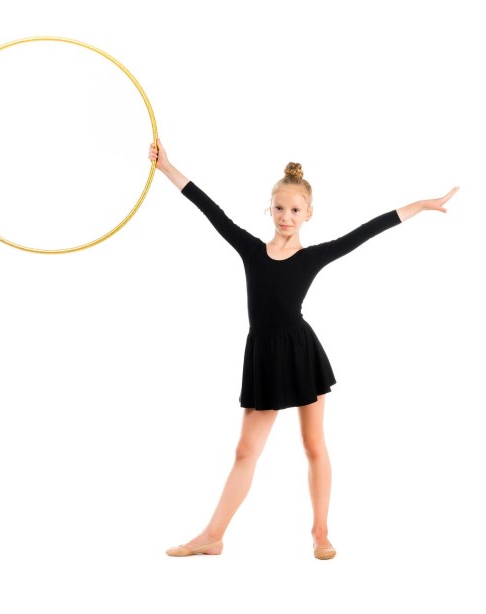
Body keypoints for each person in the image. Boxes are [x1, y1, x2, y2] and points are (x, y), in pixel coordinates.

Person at [148, 138, 459, 560]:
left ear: (308, 213)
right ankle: (212, 535)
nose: (286, 217)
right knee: (245, 450)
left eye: (295, 210)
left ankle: (320, 533)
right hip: (263, 355)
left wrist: (420, 205)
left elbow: (366, 231)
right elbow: (210, 209)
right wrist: (167, 167)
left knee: (313, 444)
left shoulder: (312, 257)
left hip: (300, 354)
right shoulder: (251, 250)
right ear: (270, 209)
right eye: (279, 208)